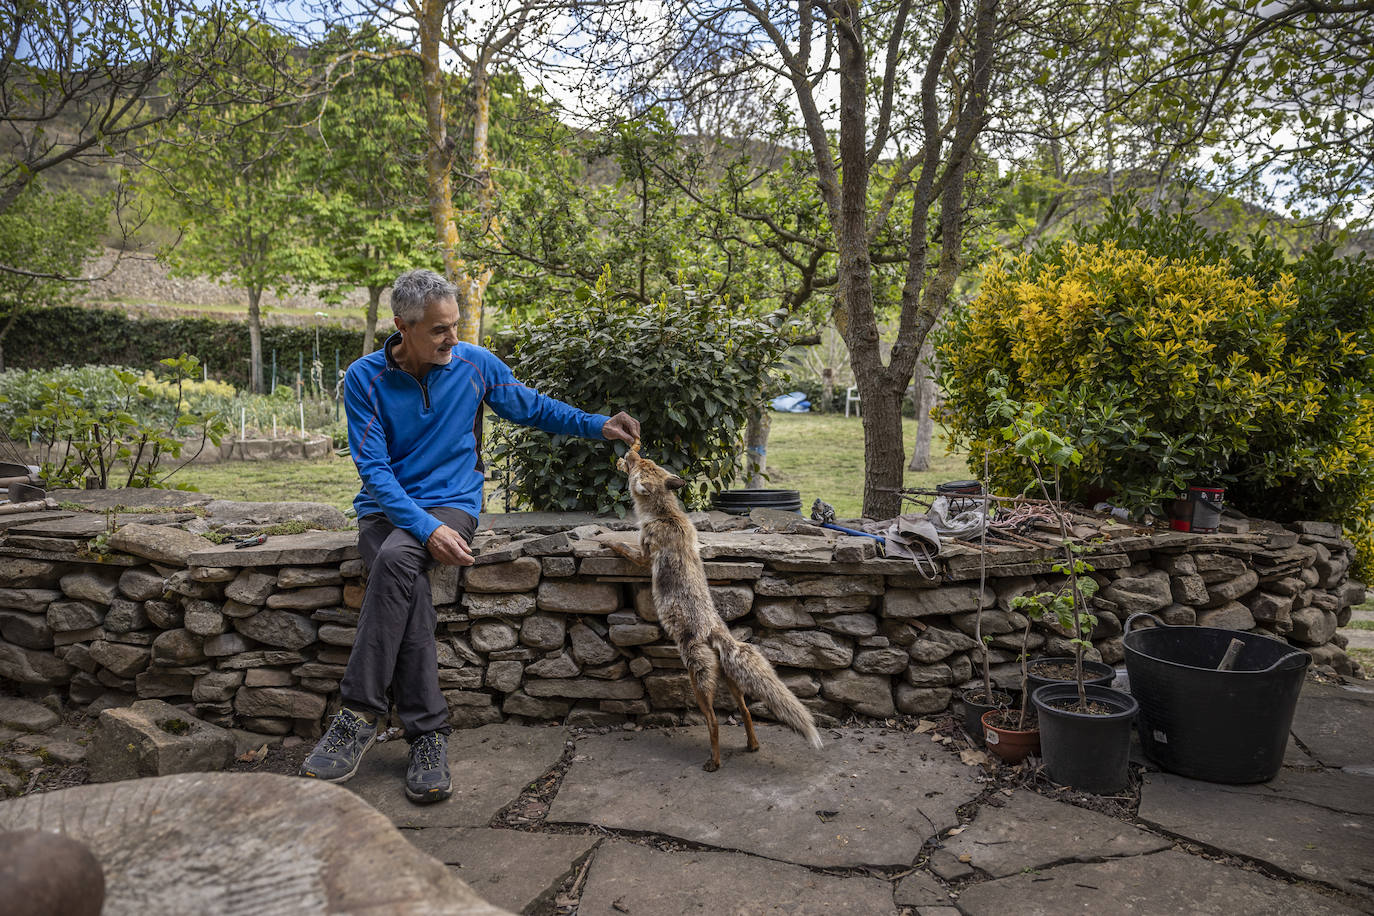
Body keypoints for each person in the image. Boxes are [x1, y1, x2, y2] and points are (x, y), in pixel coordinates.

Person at [299, 268, 639, 803]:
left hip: (452, 504)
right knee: (401, 572)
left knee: (393, 562)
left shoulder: (475, 366)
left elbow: (534, 407)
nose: (452, 339)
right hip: (386, 511)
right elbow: (375, 471)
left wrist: (599, 425)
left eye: (454, 325)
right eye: (438, 330)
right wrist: (423, 527)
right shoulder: (365, 378)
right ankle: (427, 737)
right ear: (402, 327)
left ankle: (359, 715)